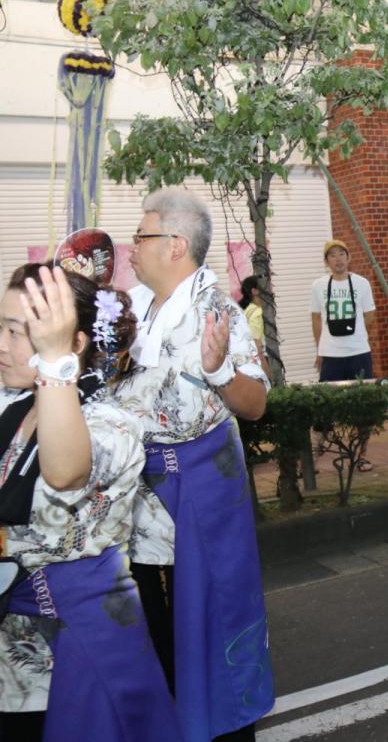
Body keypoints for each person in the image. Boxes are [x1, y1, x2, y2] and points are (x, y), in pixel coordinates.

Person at [0, 264, 182, 742]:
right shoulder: (11, 405)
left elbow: (65, 471)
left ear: (74, 342)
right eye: (0, 326)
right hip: (13, 650)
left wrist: (54, 363)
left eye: (19, 332)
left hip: (74, 647)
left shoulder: (111, 423)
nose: (2, 344)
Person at [118, 187, 273, 741]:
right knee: (161, 647)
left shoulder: (217, 310)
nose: (130, 247)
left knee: (213, 635)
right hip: (140, 509)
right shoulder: (133, 307)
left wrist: (218, 373)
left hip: (200, 502)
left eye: (141, 236)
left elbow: (255, 403)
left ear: (176, 245)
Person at [311, 240, 377, 382]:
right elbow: (316, 319)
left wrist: (354, 329)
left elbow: (369, 315)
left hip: (359, 350)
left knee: (364, 396)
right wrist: (320, 350)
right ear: (326, 261)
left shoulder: (362, 283)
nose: (338, 259)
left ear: (348, 257)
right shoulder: (318, 285)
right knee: (331, 398)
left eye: (342, 254)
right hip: (330, 353)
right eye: (333, 255)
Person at [238, 275, 265, 363]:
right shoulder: (258, 312)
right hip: (260, 358)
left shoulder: (247, 309)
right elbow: (256, 341)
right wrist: (264, 364)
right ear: (254, 291)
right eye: (264, 286)